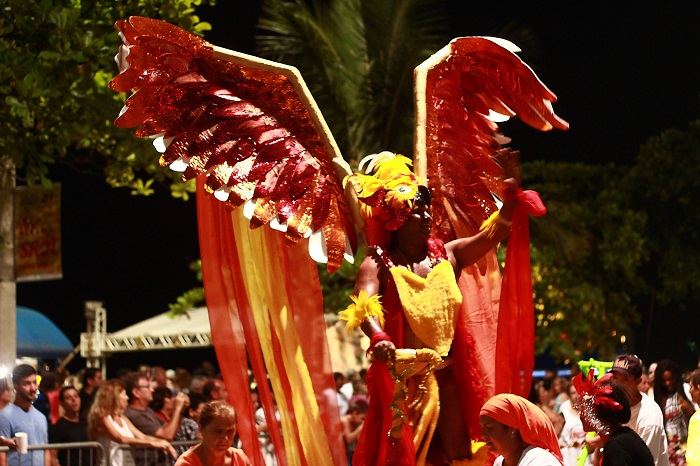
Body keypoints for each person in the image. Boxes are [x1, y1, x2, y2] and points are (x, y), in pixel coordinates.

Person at [341, 151, 523, 465]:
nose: (427, 218)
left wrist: (510, 196)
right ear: (397, 218)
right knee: (403, 457)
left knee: (459, 454)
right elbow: (364, 302)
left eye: (428, 211)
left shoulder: (448, 256)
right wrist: (378, 335)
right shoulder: (378, 262)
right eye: (418, 212)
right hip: (405, 379)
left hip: (449, 375)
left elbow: (493, 234)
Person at [87, 379, 176, 466]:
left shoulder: (123, 418)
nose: (127, 397)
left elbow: (142, 436)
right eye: (124, 394)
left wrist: (162, 442)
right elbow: (120, 439)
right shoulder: (104, 418)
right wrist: (153, 443)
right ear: (114, 397)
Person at [575, 370, 654, 466]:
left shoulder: (616, 446)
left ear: (598, 414)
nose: (580, 414)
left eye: (585, 409)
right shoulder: (623, 436)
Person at [610, 354, 670, 466]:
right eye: (614, 378)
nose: (617, 384)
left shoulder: (649, 416)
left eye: (624, 379)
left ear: (638, 381)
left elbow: (645, 462)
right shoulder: (617, 406)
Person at [124, 372, 189, 465]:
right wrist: (177, 408)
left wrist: (181, 410)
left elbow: (171, 429)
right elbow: (167, 435)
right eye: (147, 387)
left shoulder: (148, 410)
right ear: (136, 392)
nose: (152, 390)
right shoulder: (134, 415)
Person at [479, 393, 563, 465]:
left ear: (512, 428)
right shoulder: (499, 462)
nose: (483, 435)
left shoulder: (541, 462)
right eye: (482, 427)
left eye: (489, 427)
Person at [0, 364, 50, 466]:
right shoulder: (5, 416)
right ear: (16, 386)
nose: (33, 388)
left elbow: (46, 449)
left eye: (35, 382)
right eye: (27, 383)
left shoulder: (41, 417)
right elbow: (2, 455)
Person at [174, 400, 251, 466]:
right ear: (202, 429)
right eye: (218, 431)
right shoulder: (186, 463)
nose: (225, 438)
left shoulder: (240, 458)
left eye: (230, 431)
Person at [655, 359, 695, 465]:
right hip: (669, 447)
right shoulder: (660, 399)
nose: (667, 383)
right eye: (664, 381)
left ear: (676, 377)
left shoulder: (686, 390)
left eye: (670, 379)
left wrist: (688, 409)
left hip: (688, 444)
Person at [49, 386, 97, 466]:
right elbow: (52, 456)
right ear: (62, 403)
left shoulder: (85, 422)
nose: (74, 400)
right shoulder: (58, 427)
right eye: (68, 398)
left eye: (76, 396)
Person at [151, 386, 199, 456]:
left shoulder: (173, 417)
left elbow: (177, 431)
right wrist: (178, 407)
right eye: (170, 397)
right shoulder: (156, 417)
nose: (174, 399)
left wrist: (182, 409)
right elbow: (169, 435)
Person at [558, 381, 588, 466]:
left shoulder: (590, 413)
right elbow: (554, 436)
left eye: (579, 391)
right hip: (569, 459)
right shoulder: (563, 415)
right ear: (569, 395)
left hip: (588, 459)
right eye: (573, 393)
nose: (577, 395)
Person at [341, 397, 368, 464]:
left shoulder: (356, 423)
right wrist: (360, 428)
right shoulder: (345, 420)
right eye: (362, 418)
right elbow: (348, 439)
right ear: (355, 413)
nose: (363, 422)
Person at [686, 369, 700, 465]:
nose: (690, 391)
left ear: (698, 389)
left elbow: (693, 459)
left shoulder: (697, 419)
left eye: (691, 387)